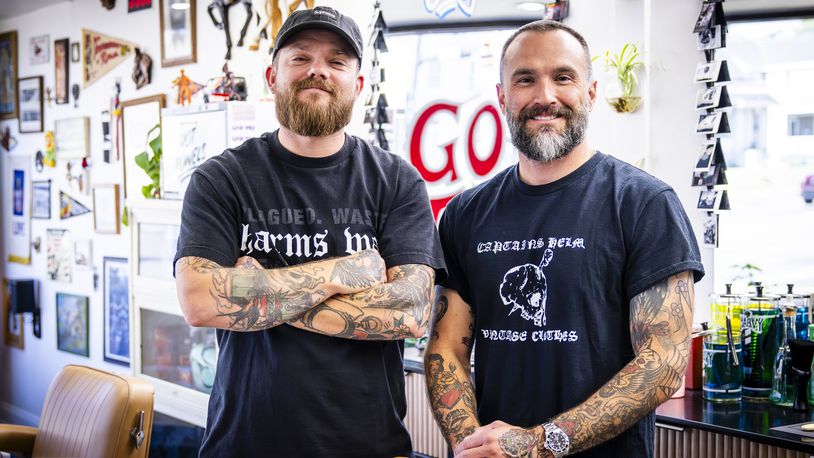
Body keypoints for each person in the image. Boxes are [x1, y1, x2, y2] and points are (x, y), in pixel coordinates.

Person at [174, 6, 446, 457]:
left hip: (368, 445)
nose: (317, 70)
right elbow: (201, 300)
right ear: (272, 76)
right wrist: (339, 273)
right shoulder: (221, 178)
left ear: (357, 85)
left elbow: (410, 311)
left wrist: (259, 294)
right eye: (300, 58)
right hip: (244, 444)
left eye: (336, 61)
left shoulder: (396, 181)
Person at [425, 20, 704, 458]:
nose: (545, 97)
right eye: (525, 79)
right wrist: (470, 445)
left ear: (590, 93)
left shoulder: (644, 204)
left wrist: (536, 444)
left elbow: (662, 364)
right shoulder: (466, 213)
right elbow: (447, 349)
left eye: (563, 77)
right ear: (502, 97)